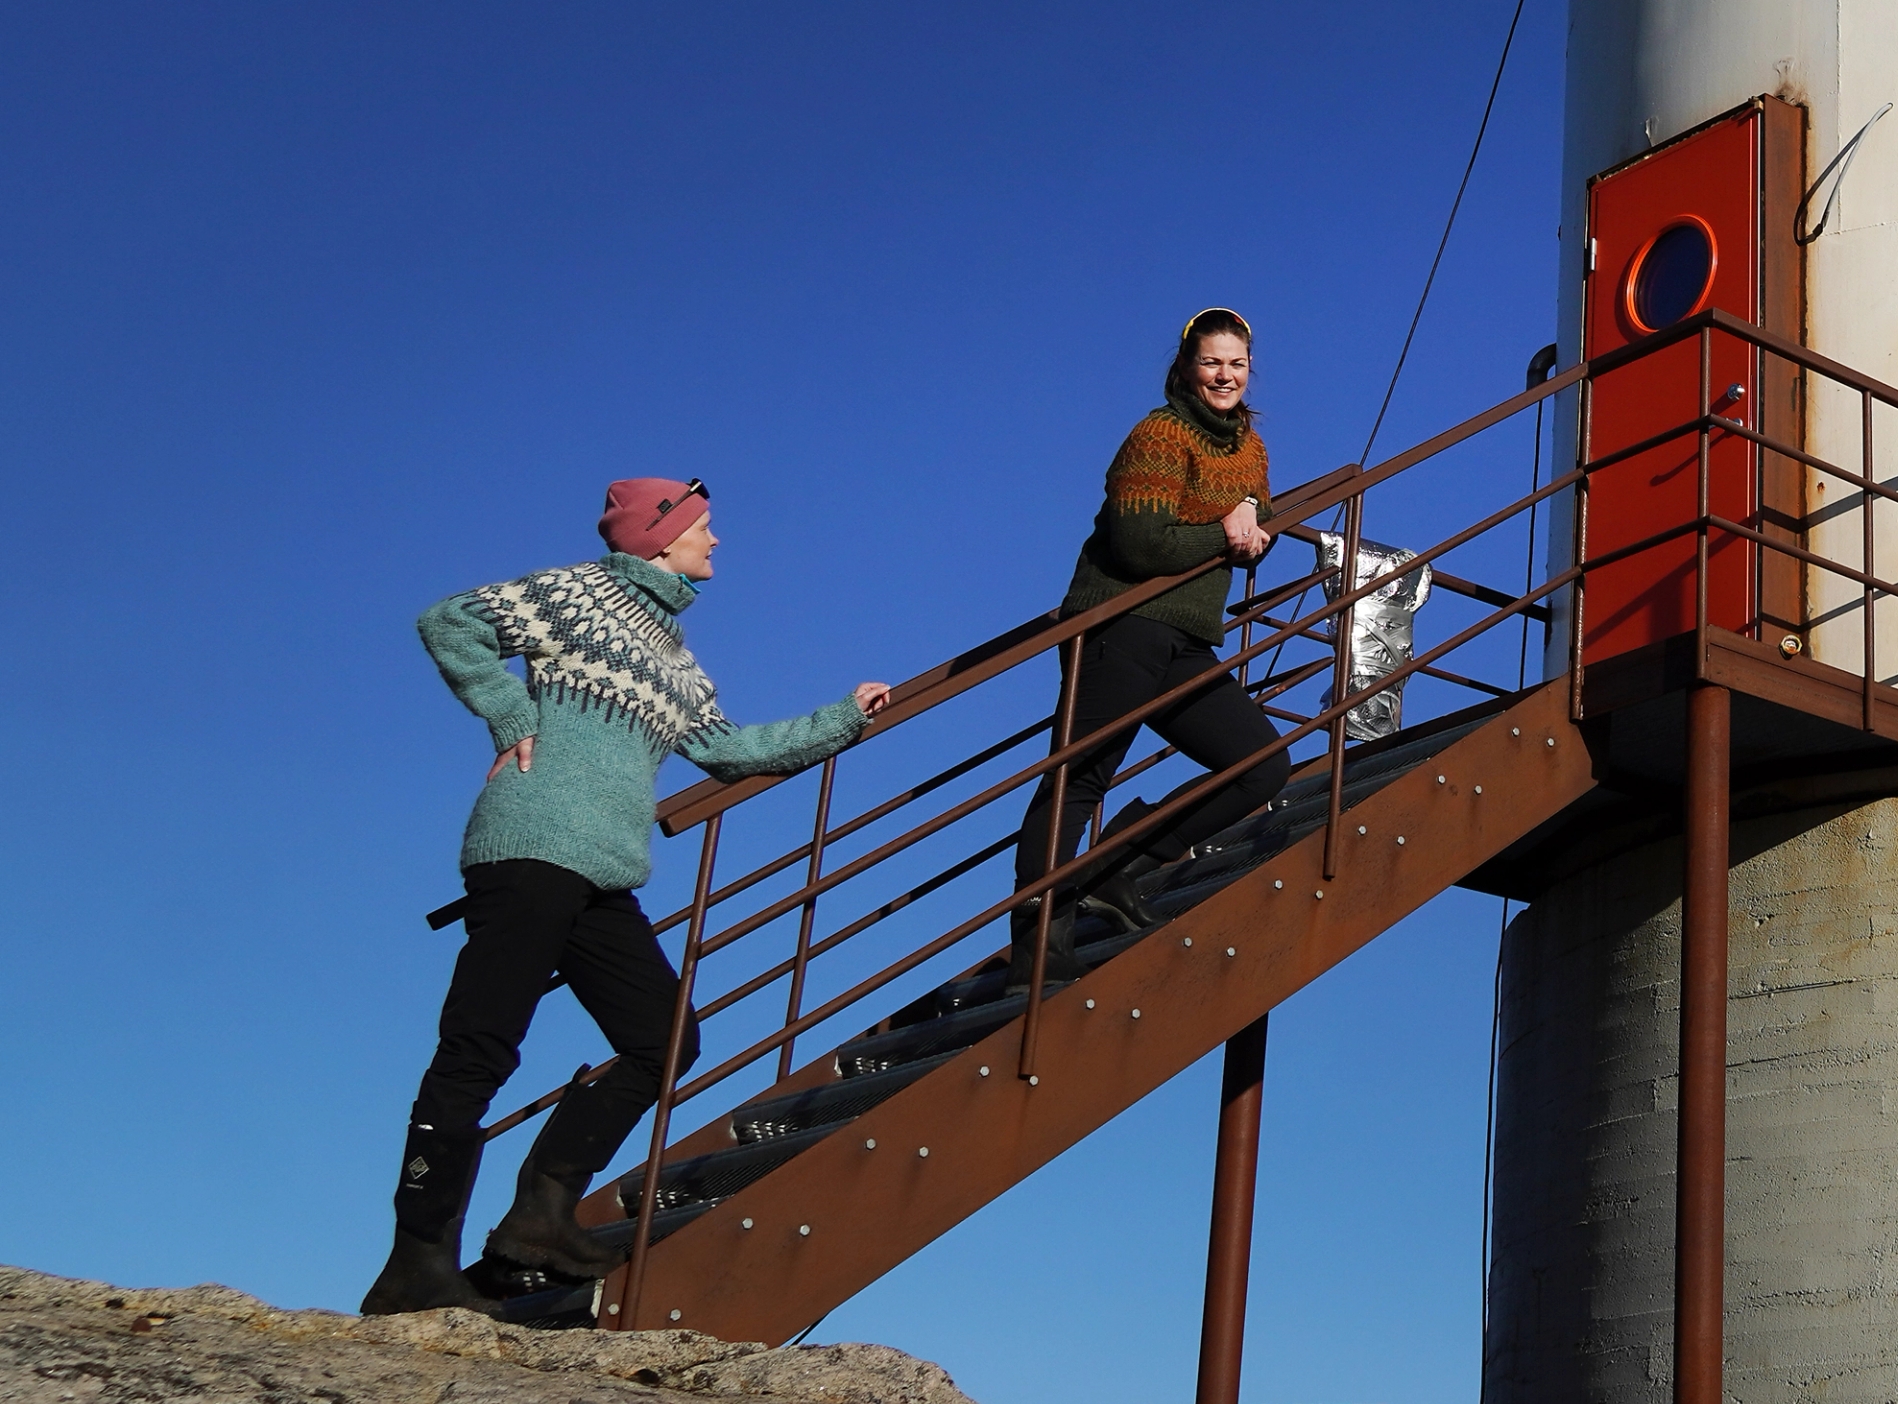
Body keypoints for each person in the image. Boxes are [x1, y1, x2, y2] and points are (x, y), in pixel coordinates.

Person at [365, 478, 891, 1318]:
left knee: (665, 1039)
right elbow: (450, 620)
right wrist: (508, 715)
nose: (715, 543)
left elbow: (727, 749)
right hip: (529, 847)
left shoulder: (677, 659)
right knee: (480, 1049)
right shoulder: (579, 591)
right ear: (660, 536)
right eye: (704, 529)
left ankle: (538, 1216)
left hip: (604, 872)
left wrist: (845, 718)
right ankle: (415, 1262)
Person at [1010, 308, 1302, 970]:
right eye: (1211, 363)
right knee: (1080, 778)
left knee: (1261, 764)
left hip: (1186, 637)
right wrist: (1225, 532)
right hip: (1122, 622)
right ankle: (1034, 948)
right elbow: (1140, 545)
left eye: (1237, 364)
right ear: (1186, 368)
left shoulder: (1248, 447)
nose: (1224, 376)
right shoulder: (1161, 435)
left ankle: (1121, 863)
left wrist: (1256, 517)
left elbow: (1258, 514)